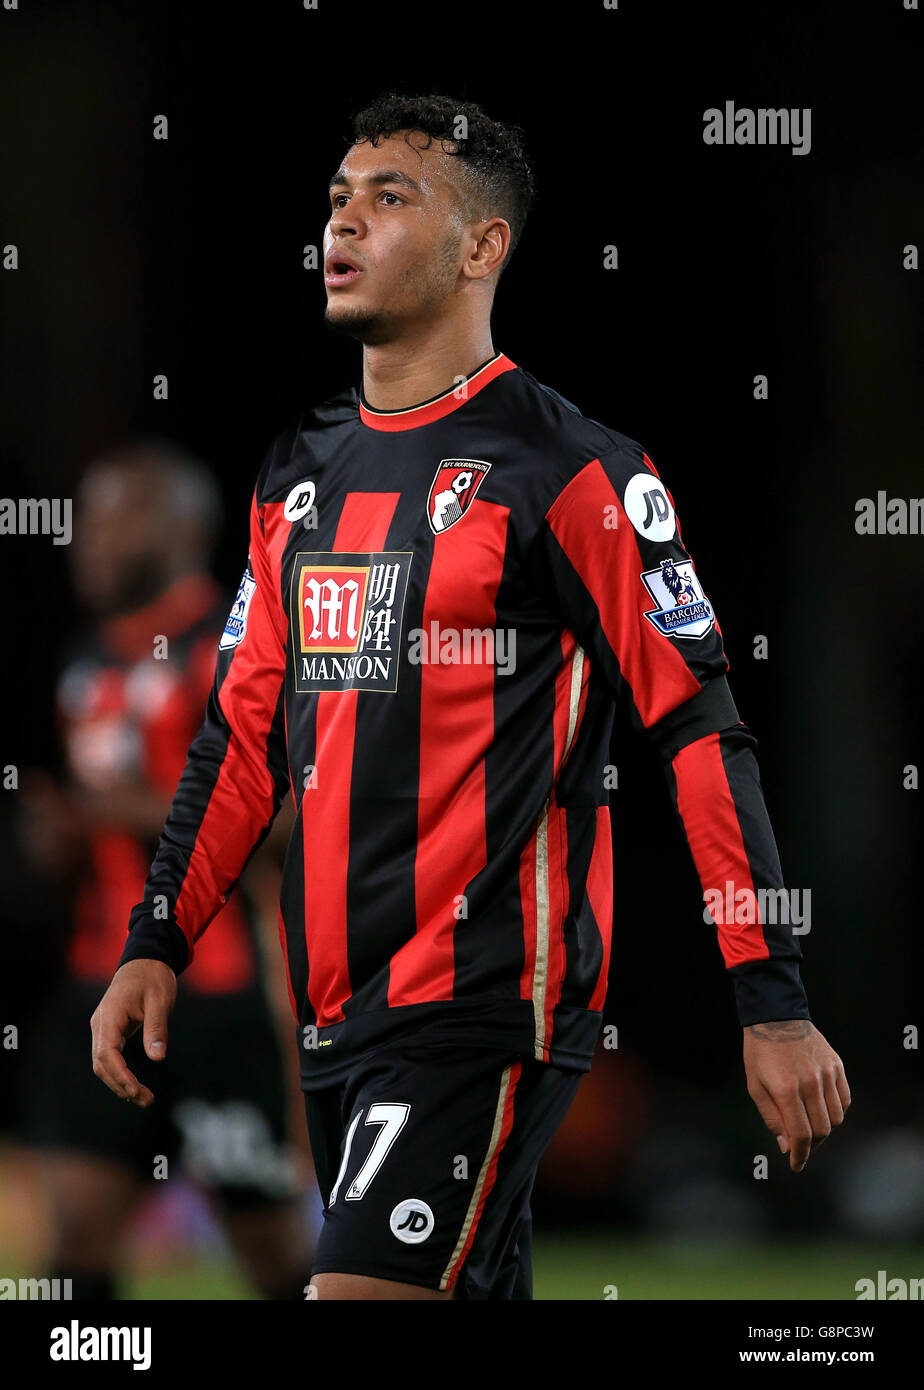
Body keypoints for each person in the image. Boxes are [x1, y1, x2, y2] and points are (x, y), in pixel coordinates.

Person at [90, 92, 850, 1301]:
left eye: (391, 199)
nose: (344, 221)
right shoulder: (300, 470)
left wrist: (771, 996)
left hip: (486, 1006)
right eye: (339, 196)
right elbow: (242, 735)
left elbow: (699, 731)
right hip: (339, 1019)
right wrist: (158, 940)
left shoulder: (575, 471)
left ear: (483, 247)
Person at [20, 444, 313, 1299]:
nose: (91, 538)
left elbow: (298, 818)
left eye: (118, 516)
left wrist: (132, 810)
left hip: (219, 1001)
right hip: (96, 983)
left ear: (183, 526)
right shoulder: (86, 665)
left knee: (271, 1256)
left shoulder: (239, 652)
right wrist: (65, 836)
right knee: (76, 1229)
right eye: (85, 518)